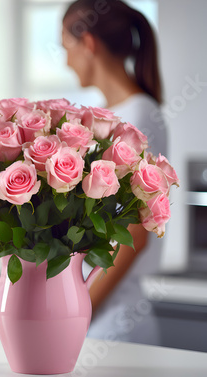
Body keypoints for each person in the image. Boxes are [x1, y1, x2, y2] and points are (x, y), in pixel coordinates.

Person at [61, 0, 168, 345]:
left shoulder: (138, 114)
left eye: (67, 47)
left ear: (88, 43)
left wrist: (79, 313)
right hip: (107, 317)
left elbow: (135, 233)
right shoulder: (118, 113)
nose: (66, 61)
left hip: (114, 323)